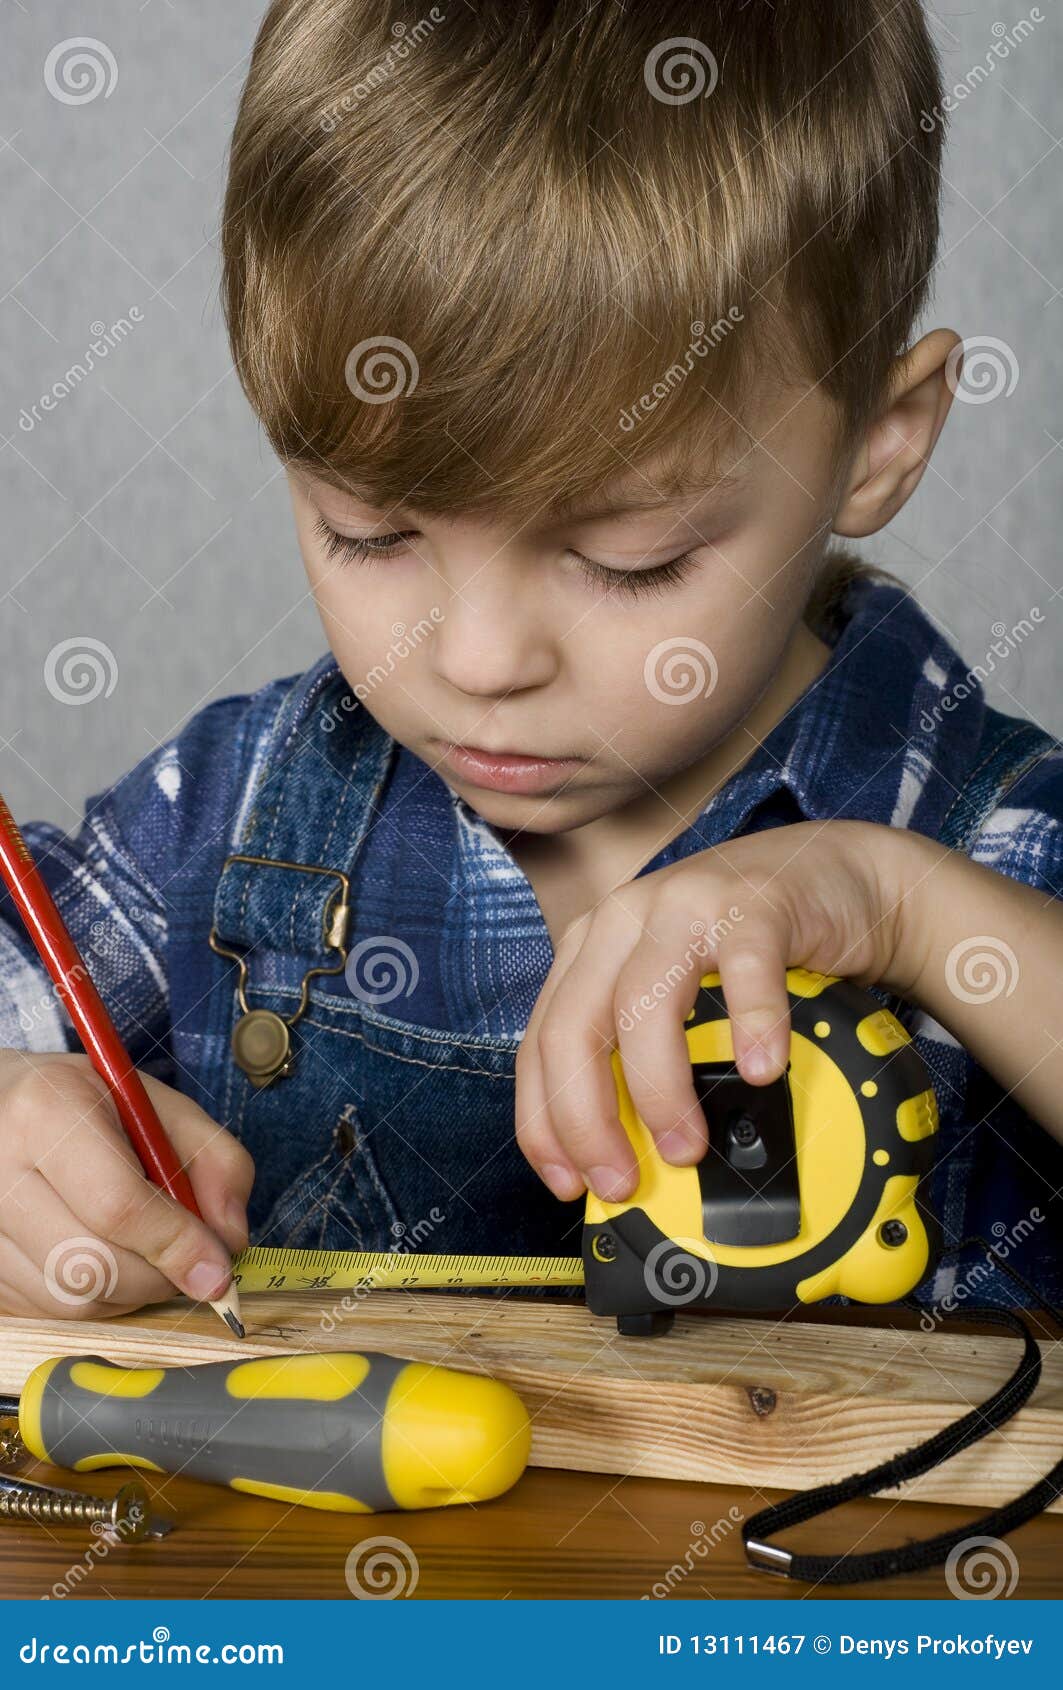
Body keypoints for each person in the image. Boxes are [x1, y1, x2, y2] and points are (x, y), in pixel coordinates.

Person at [1, 0, 1060, 1322]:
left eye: (629, 558)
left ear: (880, 440)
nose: (481, 660)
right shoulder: (233, 818)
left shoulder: (993, 839)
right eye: (372, 533)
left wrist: (912, 914)